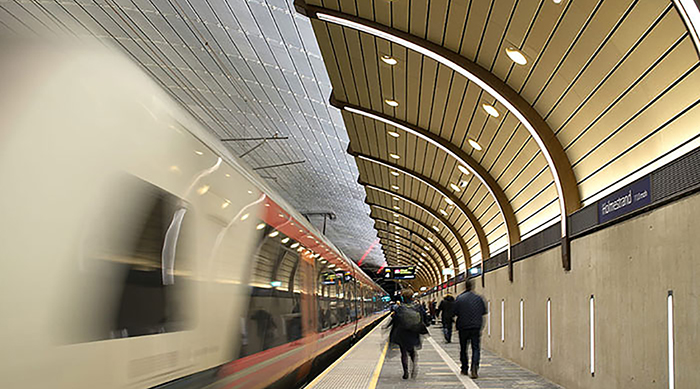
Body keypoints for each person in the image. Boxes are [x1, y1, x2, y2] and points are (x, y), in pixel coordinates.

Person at [387, 289, 428, 379]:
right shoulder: (418, 306)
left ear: (402, 297)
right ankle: (413, 366)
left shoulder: (399, 307)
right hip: (414, 331)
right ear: (412, 296)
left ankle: (405, 372)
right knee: (412, 351)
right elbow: (424, 316)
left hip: (402, 332)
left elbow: (395, 319)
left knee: (403, 352)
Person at [453, 279, 487, 379]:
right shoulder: (479, 298)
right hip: (476, 326)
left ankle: (464, 368)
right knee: (476, 348)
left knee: (463, 348)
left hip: (463, 327)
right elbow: (483, 312)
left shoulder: (460, 298)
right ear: (472, 286)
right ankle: (474, 368)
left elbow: (455, 312)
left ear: (464, 286)